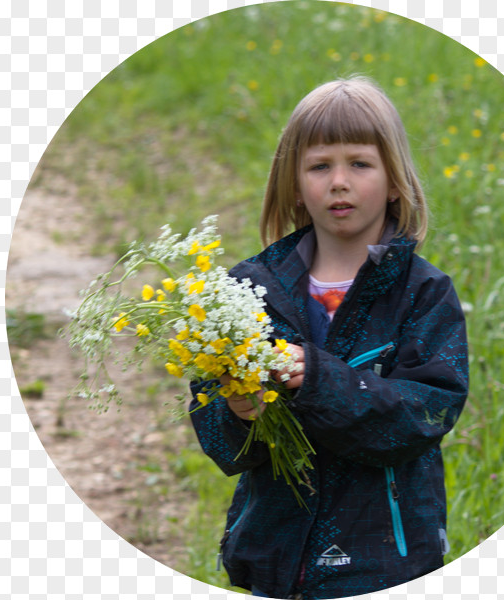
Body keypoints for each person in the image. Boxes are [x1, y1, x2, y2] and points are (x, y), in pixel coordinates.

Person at [189, 76, 469, 599]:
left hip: (383, 560)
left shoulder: (422, 293)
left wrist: (315, 378)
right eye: (320, 166)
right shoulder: (249, 289)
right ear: (294, 183)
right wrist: (238, 413)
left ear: (394, 181)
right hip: (273, 555)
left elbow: (425, 415)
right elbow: (215, 432)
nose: (339, 181)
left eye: (359, 164)